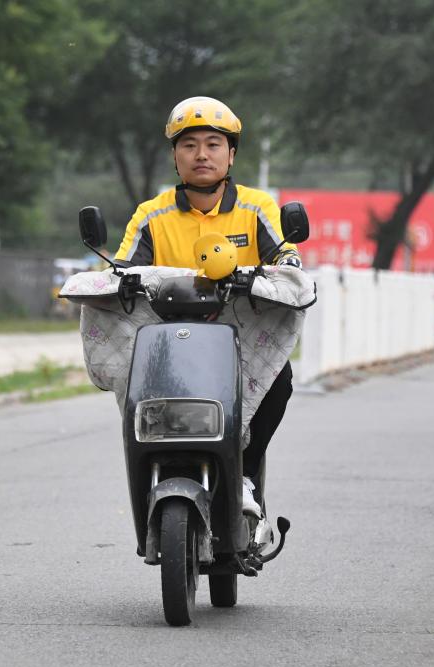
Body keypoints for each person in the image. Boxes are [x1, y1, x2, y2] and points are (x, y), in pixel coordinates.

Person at [112, 96, 302, 518]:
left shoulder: (256, 208)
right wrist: (105, 281)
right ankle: (149, 477)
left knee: (282, 376)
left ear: (231, 154)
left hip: (238, 344)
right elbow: (122, 271)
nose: (202, 154)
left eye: (214, 144)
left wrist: (286, 266)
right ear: (174, 157)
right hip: (167, 344)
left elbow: (284, 258)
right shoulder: (151, 215)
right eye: (189, 144)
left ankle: (247, 474)